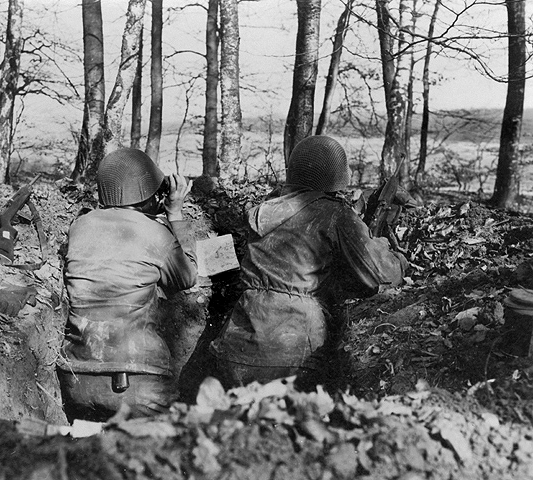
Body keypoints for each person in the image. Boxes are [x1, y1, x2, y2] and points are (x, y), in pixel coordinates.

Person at [209, 135, 408, 389]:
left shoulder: (262, 211)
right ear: (335, 177)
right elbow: (382, 274)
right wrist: (400, 257)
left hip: (234, 347)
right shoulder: (335, 213)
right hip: (295, 351)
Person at [57, 148, 197, 421]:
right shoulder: (156, 233)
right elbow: (187, 277)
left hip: (77, 380)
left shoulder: (80, 226)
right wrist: (175, 214)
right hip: (138, 383)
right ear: (148, 193)